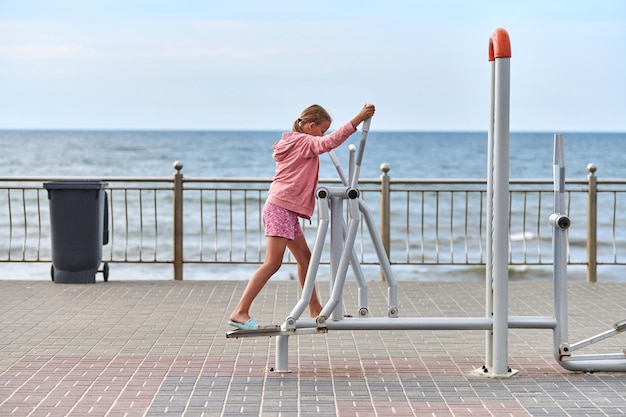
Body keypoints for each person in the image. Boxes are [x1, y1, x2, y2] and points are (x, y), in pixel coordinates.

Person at [228, 103, 376, 330]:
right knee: (273, 263)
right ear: (311, 126)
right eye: (321, 130)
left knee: (305, 259)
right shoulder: (304, 141)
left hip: (284, 209)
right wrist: (359, 118)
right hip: (280, 208)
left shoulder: (294, 142)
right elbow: (329, 143)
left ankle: (315, 308)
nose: (323, 135)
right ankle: (240, 311)